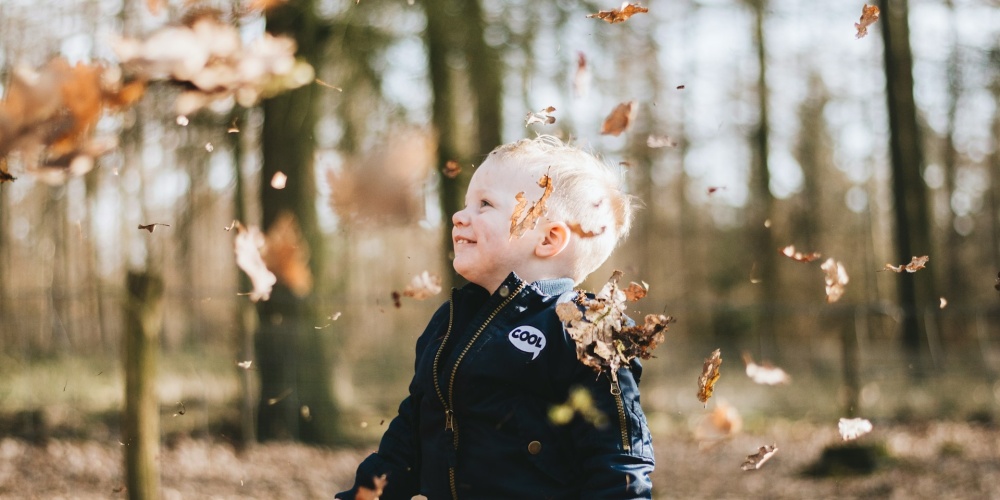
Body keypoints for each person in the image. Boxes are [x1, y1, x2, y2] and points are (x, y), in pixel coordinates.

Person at [336, 135, 655, 499]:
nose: (459, 216)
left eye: (484, 205)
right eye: (466, 203)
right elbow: (408, 439)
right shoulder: (451, 321)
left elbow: (619, 460)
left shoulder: (588, 330)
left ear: (548, 239)